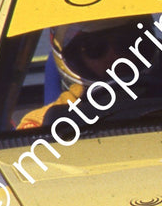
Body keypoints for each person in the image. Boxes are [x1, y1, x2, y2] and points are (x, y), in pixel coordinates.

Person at [17, 16, 150, 130]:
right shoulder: (39, 124)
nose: (114, 56)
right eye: (95, 48)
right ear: (75, 57)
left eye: (126, 43)